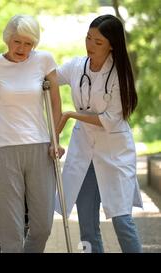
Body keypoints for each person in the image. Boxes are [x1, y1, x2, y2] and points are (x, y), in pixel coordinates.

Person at [0, 14, 63, 253]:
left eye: (28, 43)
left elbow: (55, 104)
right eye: (17, 42)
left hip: (40, 148)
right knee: (9, 230)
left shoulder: (44, 60)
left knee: (42, 225)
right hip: (4, 150)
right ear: (7, 40)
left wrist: (56, 140)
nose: (22, 48)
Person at [56, 14, 143, 253]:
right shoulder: (76, 66)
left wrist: (70, 115)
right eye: (88, 38)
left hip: (115, 155)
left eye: (98, 42)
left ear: (112, 45)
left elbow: (108, 120)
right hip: (84, 154)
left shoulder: (119, 75)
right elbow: (48, 77)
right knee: (87, 226)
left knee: (122, 220)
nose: (90, 45)